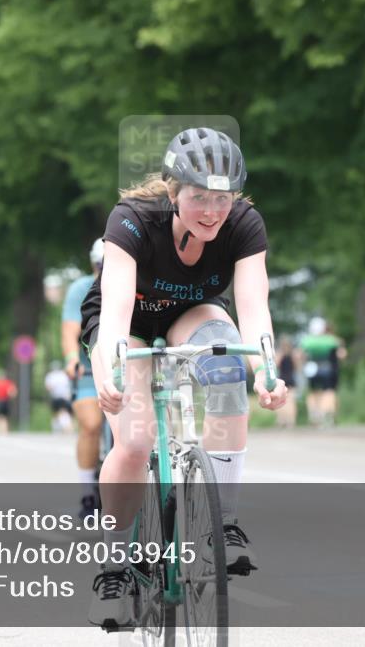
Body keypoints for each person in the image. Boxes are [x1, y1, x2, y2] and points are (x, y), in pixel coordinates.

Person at [82, 127, 288, 627]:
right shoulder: (132, 220)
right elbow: (116, 306)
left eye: (223, 198)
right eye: (199, 197)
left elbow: (253, 306)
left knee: (225, 368)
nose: (212, 210)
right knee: (132, 442)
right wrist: (110, 362)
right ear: (173, 191)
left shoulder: (244, 226)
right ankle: (113, 568)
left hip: (190, 312)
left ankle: (222, 525)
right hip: (126, 322)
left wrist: (266, 369)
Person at [62, 238, 107, 518]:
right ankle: (88, 494)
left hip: (125, 366)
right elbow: (69, 331)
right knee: (90, 424)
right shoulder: (80, 289)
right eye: (102, 265)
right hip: (89, 367)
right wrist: (71, 359)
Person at [299, 316, 347, 427]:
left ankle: (314, 414)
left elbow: (300, 354)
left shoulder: (307, 340)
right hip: (326, 368)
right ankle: (327, 414)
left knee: (313, 392)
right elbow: (342, 354)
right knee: (328, 391)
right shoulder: (331, 340)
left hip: (311, 369)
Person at [275, 337, 299, 429]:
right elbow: (297, 367)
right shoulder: (293, 355)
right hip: (291, 379)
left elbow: (275, 365)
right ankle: (291, 421)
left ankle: (282, 420)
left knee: (280, 401)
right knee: (291, 401)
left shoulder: (279, 354)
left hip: (281, 379)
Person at [44, 362, 74, 433]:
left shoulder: (50, 376)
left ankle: (61, 427)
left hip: (56, 397)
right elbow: (68, 386)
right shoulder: (63, 375)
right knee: (63, 412)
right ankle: (64, 427)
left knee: (58, 412)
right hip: (64, 397)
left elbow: (48, 387)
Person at [0, 370, 17, 435]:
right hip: (5, 401)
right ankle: (5, 430)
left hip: (0, 401)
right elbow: (12, 392)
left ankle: (0, 430)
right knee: (5, 417)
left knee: (0, 416)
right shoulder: (8, 383)